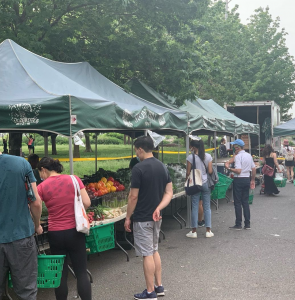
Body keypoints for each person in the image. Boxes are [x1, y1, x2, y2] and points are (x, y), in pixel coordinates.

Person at [124, 136, 173, 300]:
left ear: (139, 149)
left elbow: (133, 197)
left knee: (147, 254)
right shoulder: (162, 166)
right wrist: (159, 207)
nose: (136, 154)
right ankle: (159, 286)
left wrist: (127, 217)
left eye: (136, 151)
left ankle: (150, 291)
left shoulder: (138, 169)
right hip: (157, 217)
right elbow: (169, 192)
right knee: (154, 250)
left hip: (143, 217)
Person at [37, 157, 91, 300]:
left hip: (55, 234)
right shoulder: (74, 179)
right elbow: (87, 202)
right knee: (81, 272)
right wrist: (77, 214)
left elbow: (35, 206)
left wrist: (36, 224)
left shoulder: (41, 187)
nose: (40, 177)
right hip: (75, 231)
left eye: (40, 173)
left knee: (60, 274)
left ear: (43, 169)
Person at [0, 151, 43, 300]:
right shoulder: (21, 164)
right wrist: (37, 225)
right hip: (21, 236)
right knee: (27, 292)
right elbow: (35, 202)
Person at [186, 139, 214, 239]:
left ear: (194, 147)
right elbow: (210, 171)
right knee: (207, 207)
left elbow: (188, 173)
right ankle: (208, 230)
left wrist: (187, 181)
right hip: (206, 183)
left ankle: (194, 231)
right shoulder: (208, 156)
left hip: (195, 184)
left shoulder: (190, 157)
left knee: (195, 206)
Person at [225, 139, 256, 230]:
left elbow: (238, 171)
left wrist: (229, 168)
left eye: (234, 146)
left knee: (237, 202)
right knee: (245, 202)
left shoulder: (238, 157)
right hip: (247, 179)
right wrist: (252, 180)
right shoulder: (249, 155)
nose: (233, 148)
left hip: (239, 180)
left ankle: (238, 224)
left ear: (237, 147)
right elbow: (253, 169)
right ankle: (247, 224)